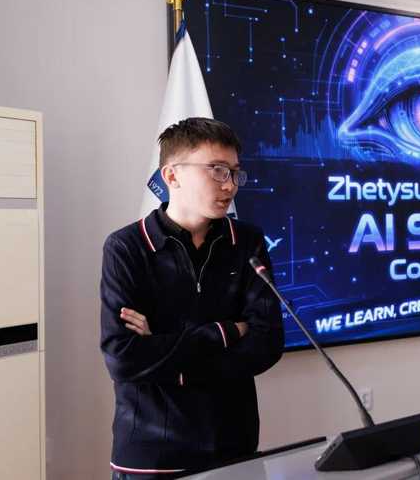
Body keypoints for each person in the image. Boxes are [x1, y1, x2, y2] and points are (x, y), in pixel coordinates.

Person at [100, 117, 283, 479]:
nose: (230, 185)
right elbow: (122, 358)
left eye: (235, 172)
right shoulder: (126, 247)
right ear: (172, 176)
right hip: (151, 455)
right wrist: (225, 332)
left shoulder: (247, 242)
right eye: (216, 170)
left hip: (234, 447)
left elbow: (268, 341)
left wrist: (164, 350)